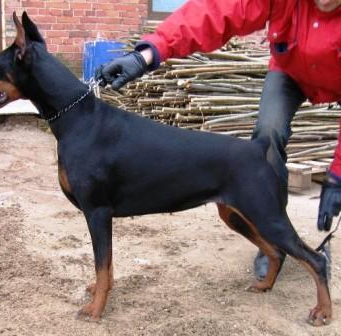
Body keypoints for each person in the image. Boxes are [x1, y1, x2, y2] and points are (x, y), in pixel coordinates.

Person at [96, 0, 341, 280]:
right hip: (290, 73)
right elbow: (213, 12)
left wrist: (337, 176)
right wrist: (146, 55)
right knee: (268, 135)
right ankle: (273, 237)